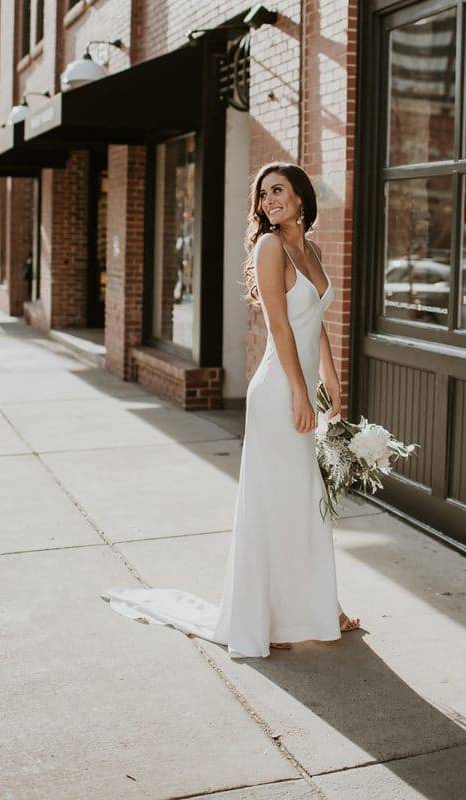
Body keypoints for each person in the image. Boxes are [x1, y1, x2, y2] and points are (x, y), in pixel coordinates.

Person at [100, 161, 360, 657]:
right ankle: (268, 619)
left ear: (302, 197)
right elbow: (280, 329)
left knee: (305, 504)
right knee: (277, 505)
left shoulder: (314, 249)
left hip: (305, 383)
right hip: (278, 391)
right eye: (263, 195)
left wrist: (331, 378)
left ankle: (317, 607)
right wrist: (301, 393)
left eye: (278, 191)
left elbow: (315, 322)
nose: (269, 201)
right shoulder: (269, 247)